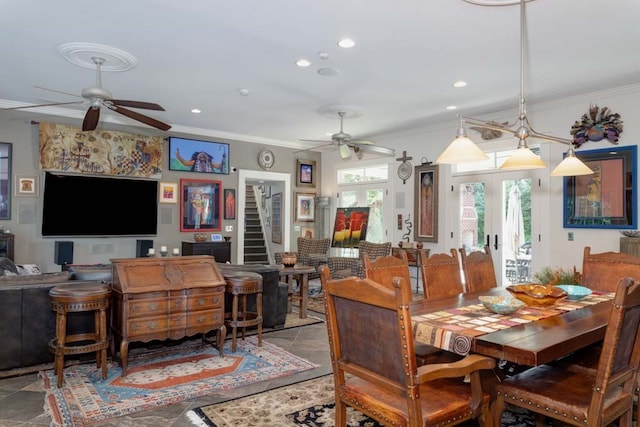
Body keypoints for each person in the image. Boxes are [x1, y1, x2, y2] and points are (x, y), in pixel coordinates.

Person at [420, 172, 434, 237]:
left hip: (429, 211)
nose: (426, 180)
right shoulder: (421, 190)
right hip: (423, 211)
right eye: (425, 179)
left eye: (428, 179)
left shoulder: (431, 190)